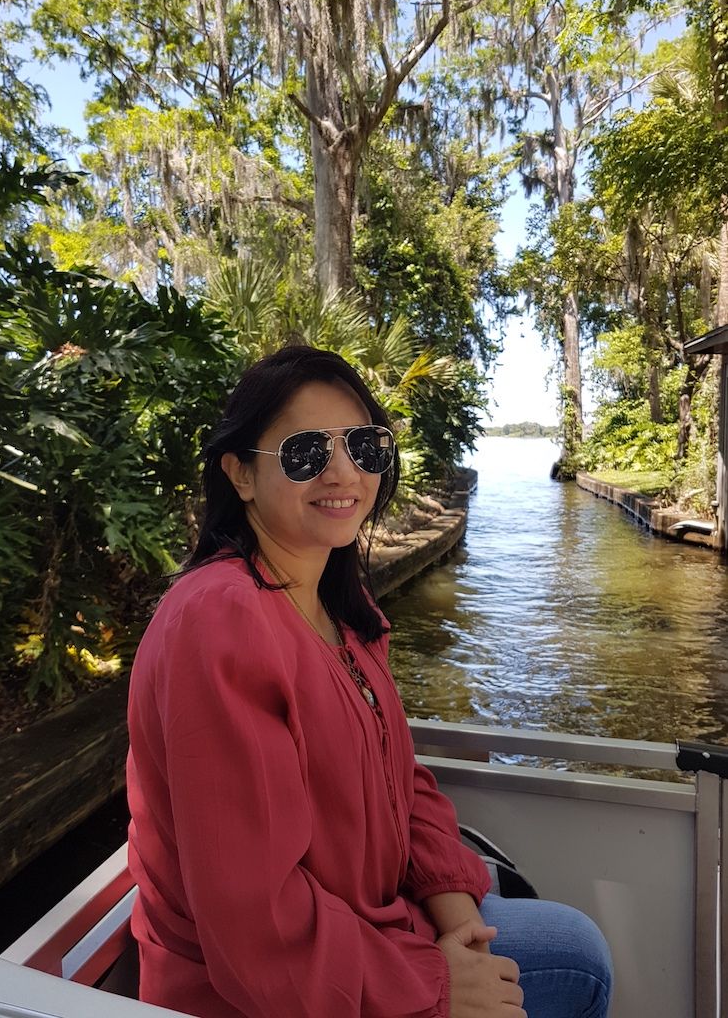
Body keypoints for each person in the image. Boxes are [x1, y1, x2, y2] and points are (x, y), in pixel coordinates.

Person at [126, 345, 613, 1018]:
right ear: (239, 474)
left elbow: (401, 781)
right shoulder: (221, 622)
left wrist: (453, 912)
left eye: (364, 446)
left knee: (567, 942)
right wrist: (434, 987)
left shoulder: (342, 612)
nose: (343, 471)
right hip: (262, 988)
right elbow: (254, 924)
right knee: (579, 961)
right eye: (304, 452)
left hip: (377, 923)